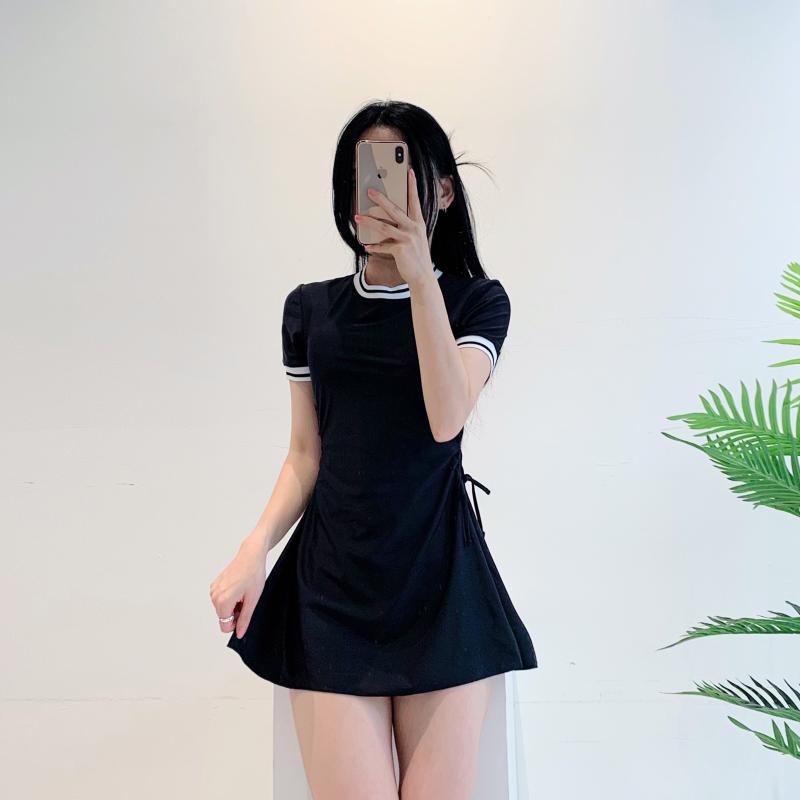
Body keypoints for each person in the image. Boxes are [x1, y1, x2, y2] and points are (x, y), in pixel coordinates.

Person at [209, 100, 538, 800]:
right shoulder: (311, 310)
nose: (379, 194)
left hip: (441, 582)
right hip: (332, 587)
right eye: (366, 175)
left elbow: (446, 418)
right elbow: (306, 454)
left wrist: (421, 277)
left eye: (399, 175)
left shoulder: (478, 303)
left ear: (441, 192)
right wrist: (253, 550)